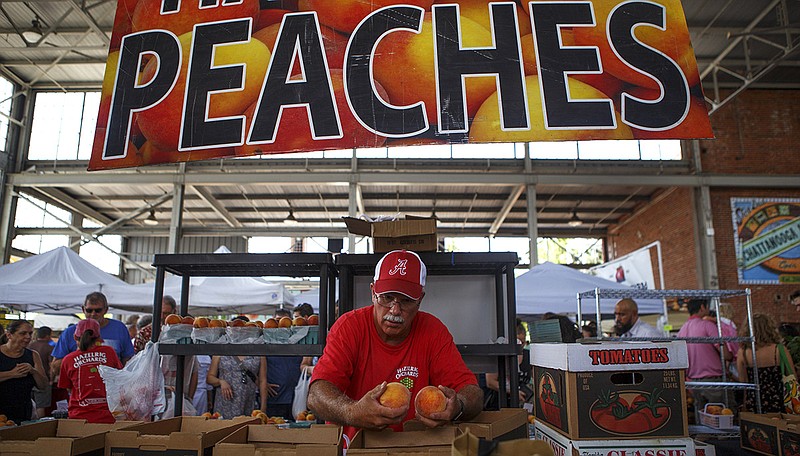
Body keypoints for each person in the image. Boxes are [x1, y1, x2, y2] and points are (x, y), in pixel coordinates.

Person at [307, 249, 483, 442]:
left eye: (406, 301)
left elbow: (472, 392)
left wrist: (458, 406)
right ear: (373, 292)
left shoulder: (433, 331)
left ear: (420, 300)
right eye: (387, 297)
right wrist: (353, 412)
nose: (395, 310)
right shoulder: (349, 327)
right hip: (356, 448)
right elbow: (316, 395)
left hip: (415, 449)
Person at [51, 292, 134, 379]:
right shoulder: (69, 332)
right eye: (89, 310)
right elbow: (55, 367)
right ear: (83, 310)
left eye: (98, 310)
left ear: (106, 310)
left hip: (112, 387)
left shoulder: (119, 328)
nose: (93, 314)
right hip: (80, 388)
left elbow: (128, 360)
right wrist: (76, 356)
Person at [57, 319, 122, 423]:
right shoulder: (109, 352)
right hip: (107, 417)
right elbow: (119, 378)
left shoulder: (68, 359)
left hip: (79, 418)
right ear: (98, 338)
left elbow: (68, 388)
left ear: (75, 337)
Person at [678, 299, 733, 419]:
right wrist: (730, 356)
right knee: (722, 417)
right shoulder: (707, 325)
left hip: (693, 381)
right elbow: (724, 351)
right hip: (713, 379)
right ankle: (723, 438)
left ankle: (703, 437)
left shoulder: (682, 330)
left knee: (702, 418)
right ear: (702, 307)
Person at [207, 317, 267, 418]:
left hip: (248, 401)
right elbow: (209, 377)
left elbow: (262, 381)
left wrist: (263, 408)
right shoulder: (222, 350)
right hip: (225, 403)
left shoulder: (258, 352)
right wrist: (221, 382)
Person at [737, 313, 793, 413]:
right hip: (778, 401)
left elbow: (743, 381)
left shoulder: (743, 352)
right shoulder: (779, 350)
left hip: (753, 402)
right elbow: (792, 377)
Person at [0, 320, 48, 424]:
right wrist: (12, 373)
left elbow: (43, 385)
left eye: (30, 333)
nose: (28, 337)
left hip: (23, 413)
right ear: (9, 335)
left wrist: (33, 371)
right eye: (23, 333)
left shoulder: (33, 355)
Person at [484, 319, 531, 409]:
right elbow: (490, 382)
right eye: (518, 342)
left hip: (523, 404)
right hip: (500, 404)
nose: (521, 345)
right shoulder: (501, 355)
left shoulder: (527, 355)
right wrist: (512, 391)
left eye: (523, 341)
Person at [28, 326, 54, 418]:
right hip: (42, 379)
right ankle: (40, 426)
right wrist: (51, 379)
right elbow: (52, 366)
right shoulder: (49, 347)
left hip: (28, 379)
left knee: (28, 404)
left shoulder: (29, 345)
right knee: (41, 406)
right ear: (47, 335)